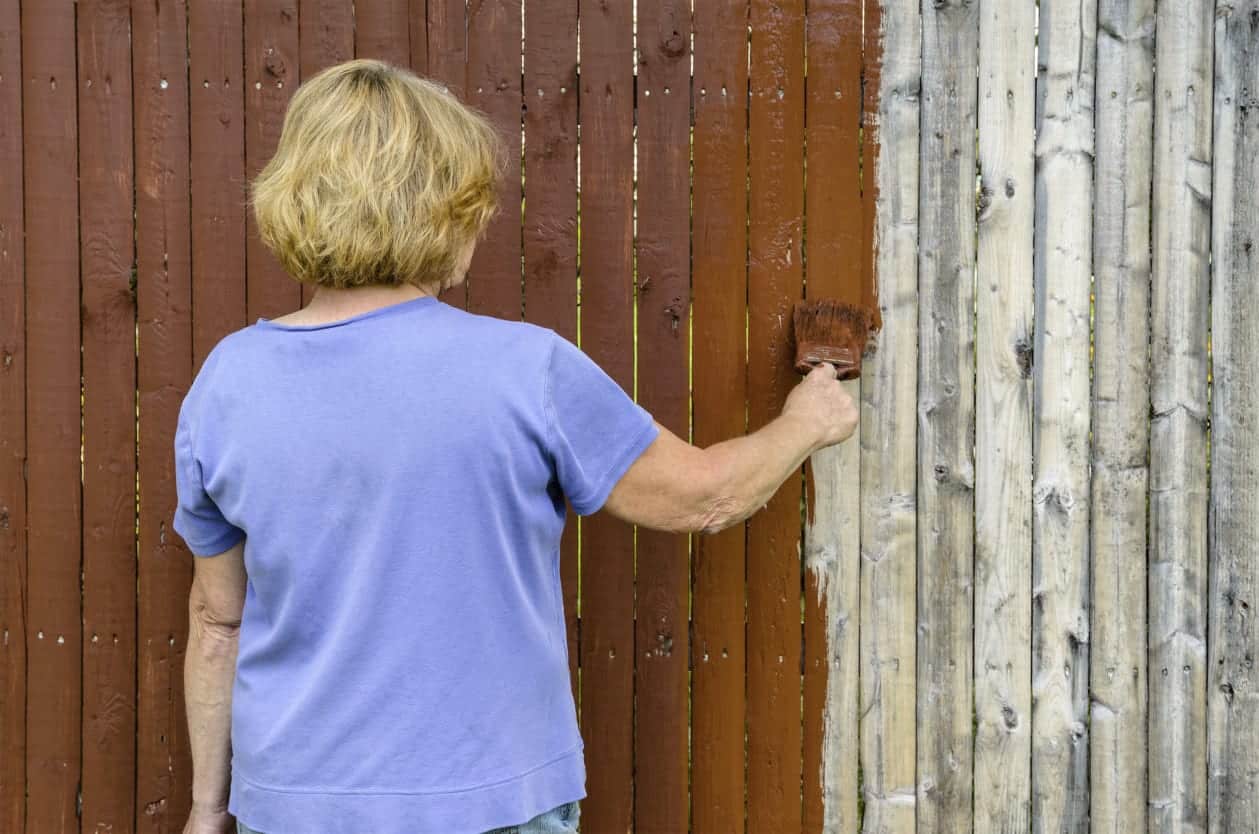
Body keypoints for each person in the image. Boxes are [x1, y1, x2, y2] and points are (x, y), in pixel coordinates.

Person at [174, 59, 858, 834]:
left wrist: (207, 808)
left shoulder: (229, 380)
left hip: (294, 807)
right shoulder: (524, 369)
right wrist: (808, 420)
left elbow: (217, 622)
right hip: (490, 804)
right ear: (441, 208)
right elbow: (704, 497)